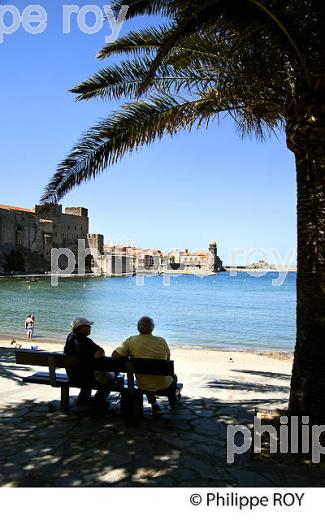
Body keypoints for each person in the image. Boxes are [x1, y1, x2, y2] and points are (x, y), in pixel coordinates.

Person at [112, 316, 178, 413]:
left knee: (146, 378)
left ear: (138, 328)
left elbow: (115, 355)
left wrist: (128, 355)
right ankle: (173, 404)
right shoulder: (161, 340)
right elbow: (167, 359)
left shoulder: (131, 340)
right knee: (174, 377)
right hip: (163, 383)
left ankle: (154, 403)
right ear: (152, 328)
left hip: (143, 383)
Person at [64, 317, 114, 410]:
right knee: (111, 378)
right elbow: (101, 351)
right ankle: (98, 401)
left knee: (87, 373)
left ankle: (83, 400)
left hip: (72, 375)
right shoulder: (86, 341)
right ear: (82, 328)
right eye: (89, 326)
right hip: (86, 376)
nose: (90, 328)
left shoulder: (70, 337)